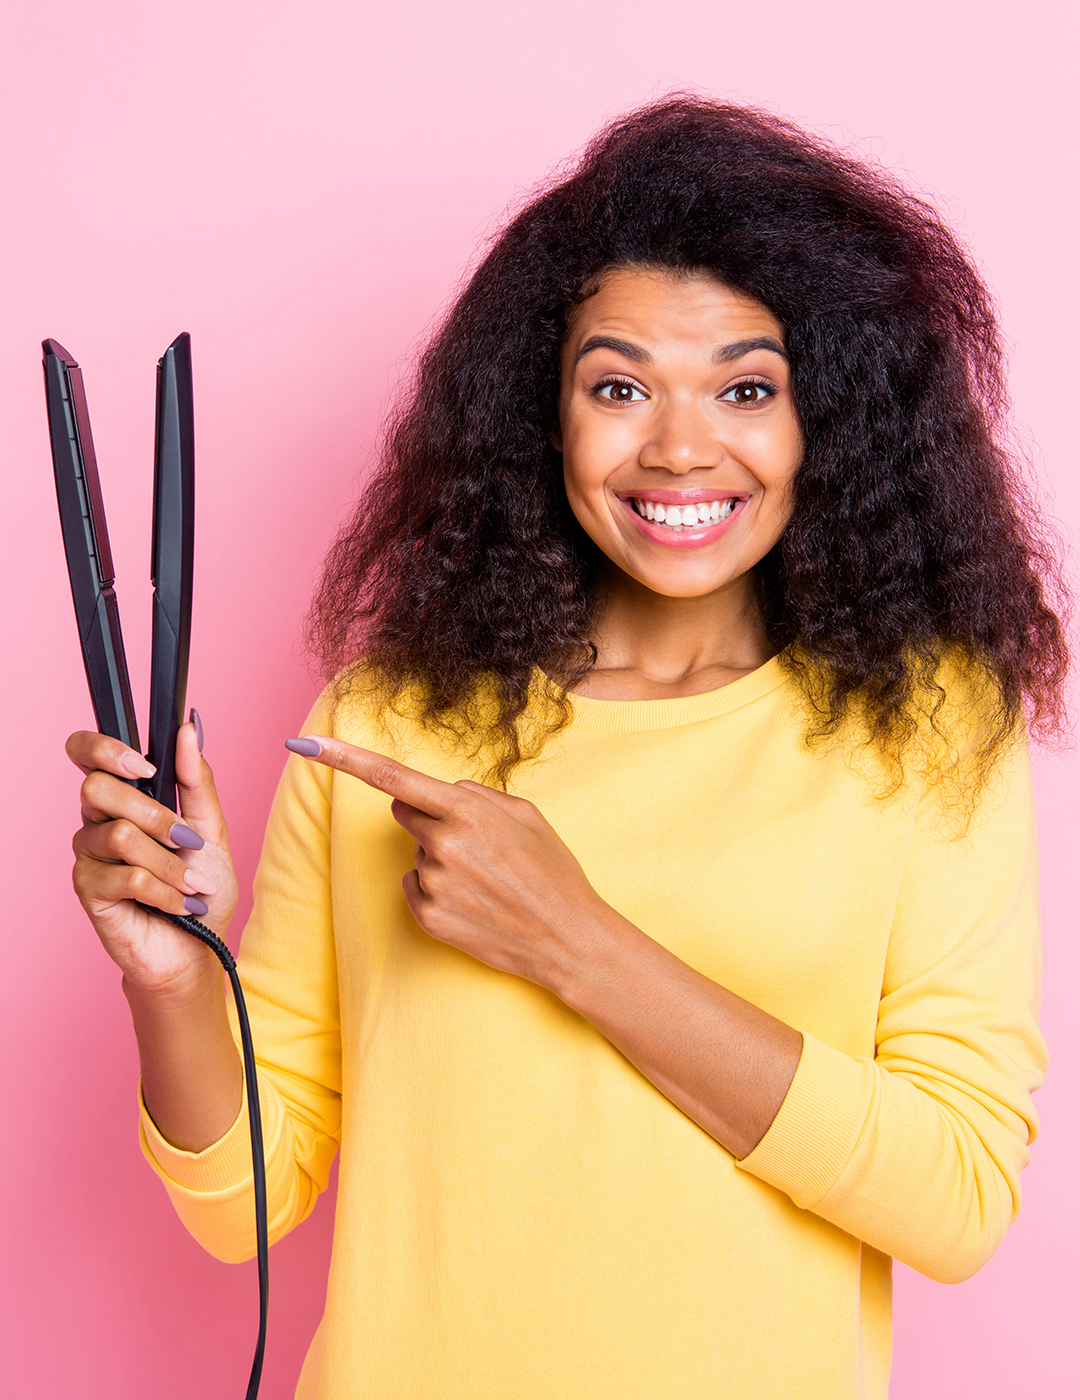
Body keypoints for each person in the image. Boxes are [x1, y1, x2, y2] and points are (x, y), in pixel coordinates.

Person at [66, 98, 1068, 1399]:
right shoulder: (390, 720)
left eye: (746, 386)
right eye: (619, 384)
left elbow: (958, 1197)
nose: (680, 445)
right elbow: (242, 1203)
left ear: (831, 415)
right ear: (543, 413)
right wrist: (170, 976)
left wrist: (574, 939)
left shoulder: (927, 729)